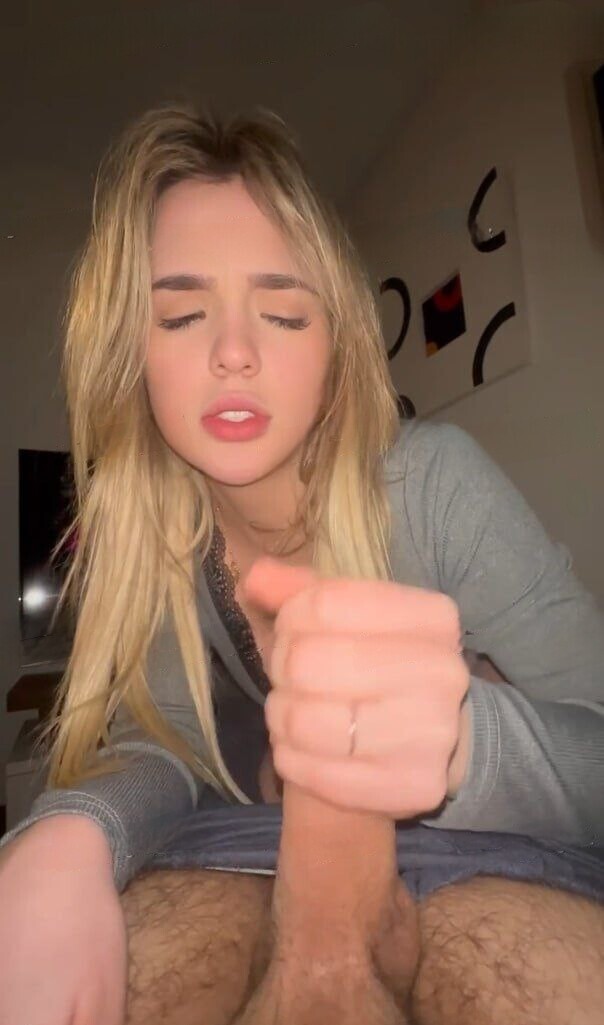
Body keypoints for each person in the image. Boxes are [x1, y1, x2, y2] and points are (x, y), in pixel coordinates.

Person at [0, 102, 603, 1025]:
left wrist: (465, 742)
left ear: (335, 343)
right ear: (132, 355)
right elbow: (158, 742)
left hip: (495, 848)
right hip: (243, 845)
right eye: (182, 314)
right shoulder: (157, 537)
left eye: (282, 312)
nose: (234, 353)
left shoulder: (434, 484)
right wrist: (73, 834)